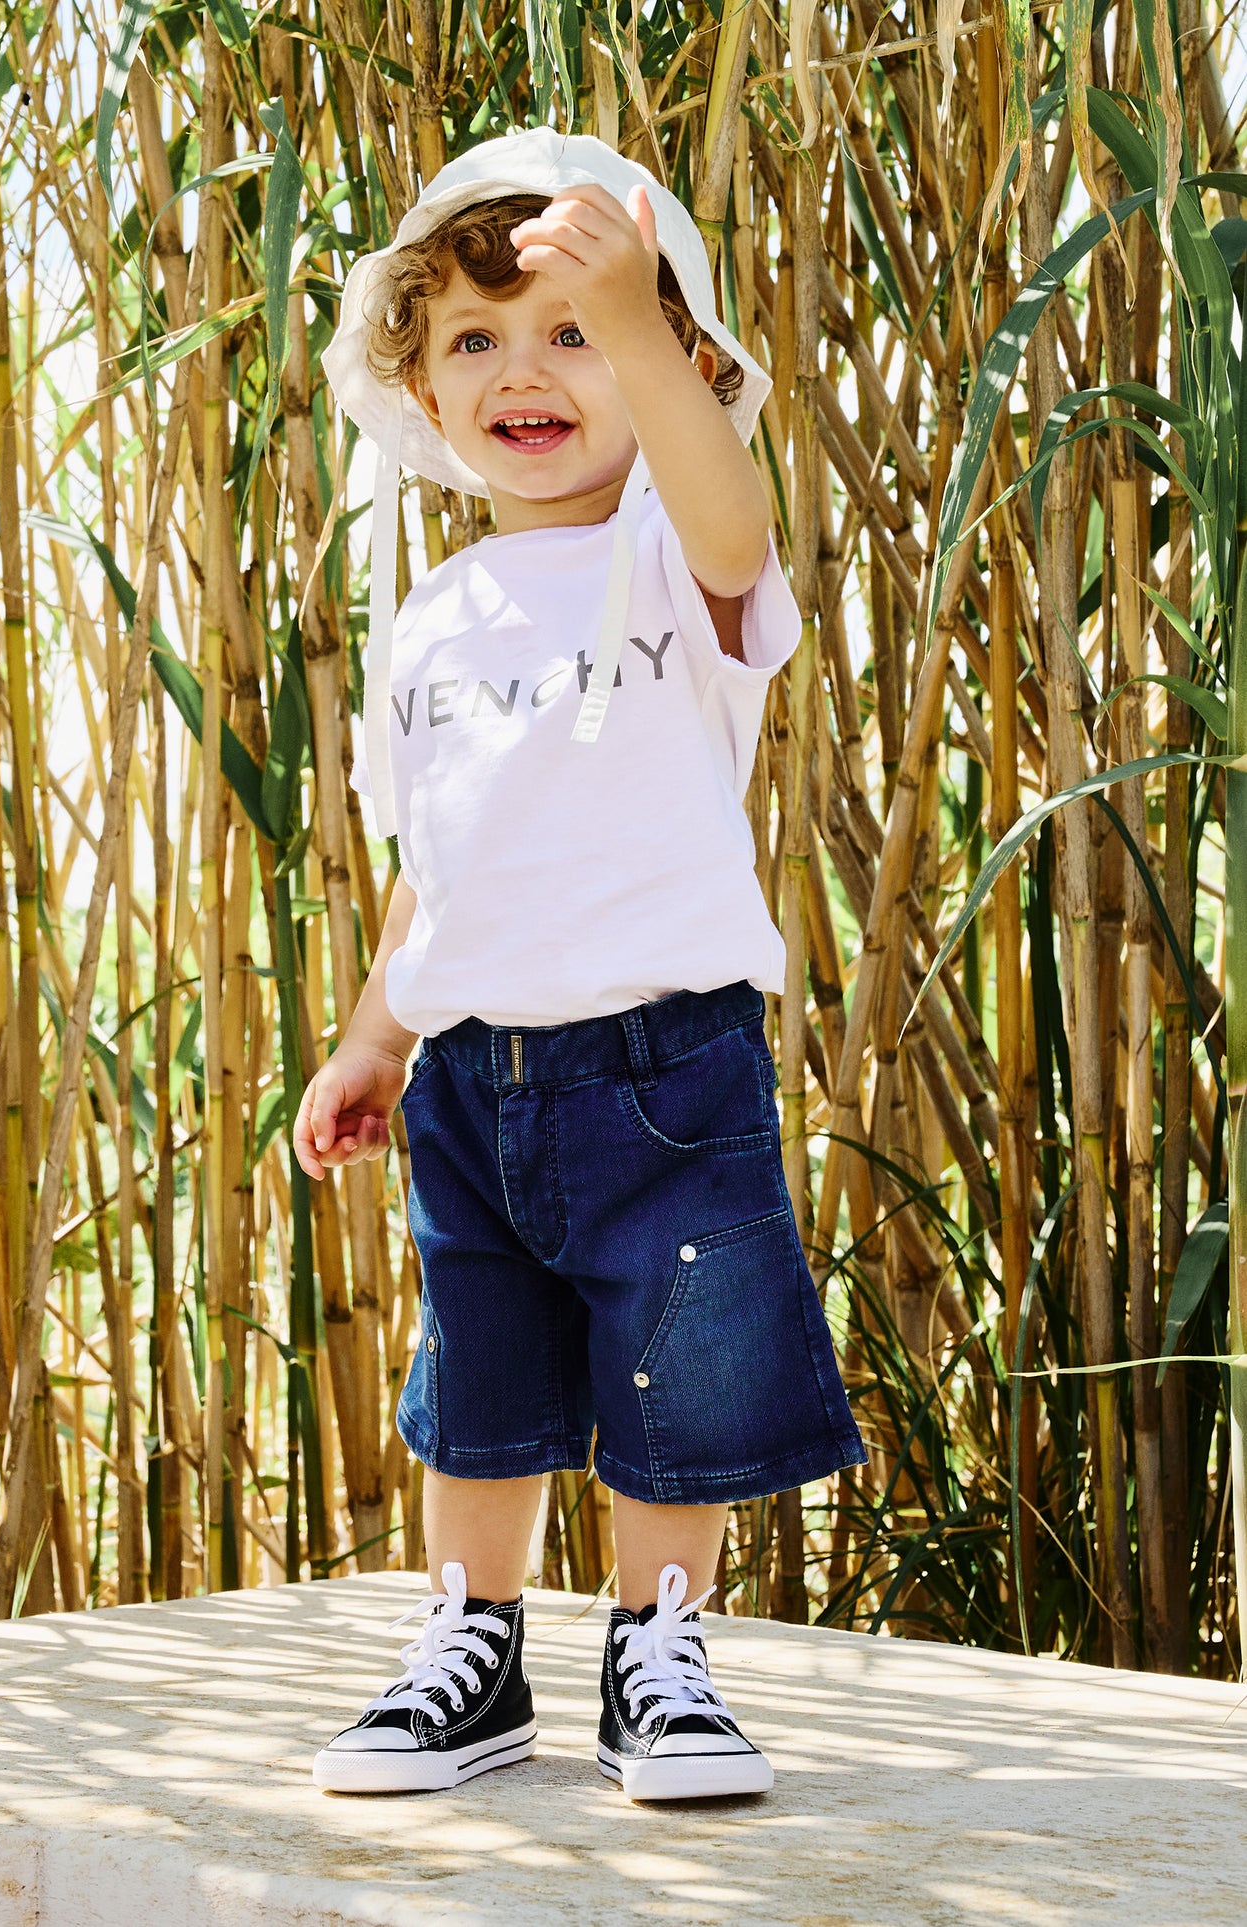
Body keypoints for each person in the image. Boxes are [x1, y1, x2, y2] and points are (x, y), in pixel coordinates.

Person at [296, 128, 864, 1804]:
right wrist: (368, 1041)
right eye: (473, 341)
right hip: (477, 1074)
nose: (523, 372)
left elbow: (733, 506)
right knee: (483, 1378)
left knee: (672, 1371)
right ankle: (470, 1650)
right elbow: (436, 873)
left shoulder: (674, 567)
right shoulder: (432, 618)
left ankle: (657, 1648)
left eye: (571, 332)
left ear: (667, 363)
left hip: (666, 1065)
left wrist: (639, 325)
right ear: (418, 384)